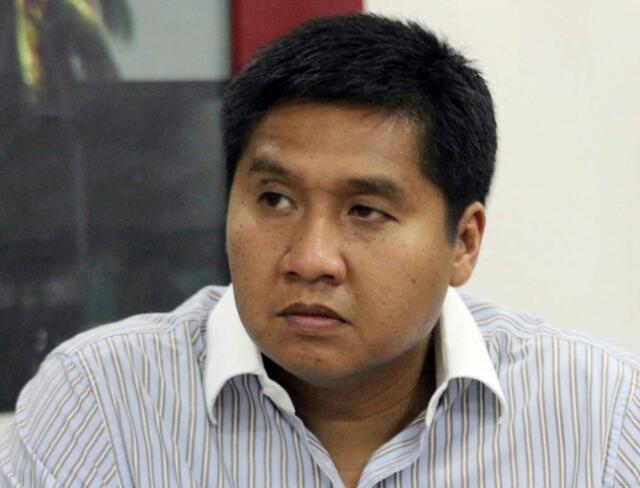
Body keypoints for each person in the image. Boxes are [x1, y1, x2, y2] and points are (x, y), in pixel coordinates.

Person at [1, 13, 638, 488]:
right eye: (275, 199)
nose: (310, 259)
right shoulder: (100, 405)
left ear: (463, 243)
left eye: (365, 211)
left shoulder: (599, 419)